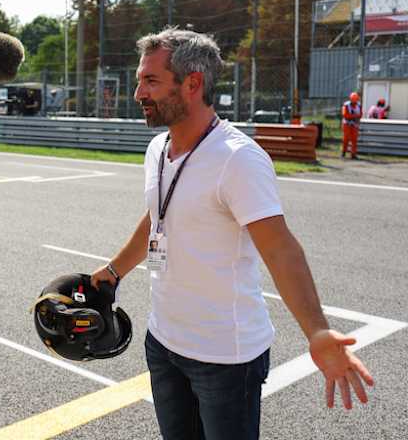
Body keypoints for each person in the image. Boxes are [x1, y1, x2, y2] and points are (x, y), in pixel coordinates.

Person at [91, 28, 374, 440]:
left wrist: (315, 328)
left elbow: (281, 249)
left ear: (193, 83)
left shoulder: (237, 159)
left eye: (150, 81)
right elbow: (158, 216)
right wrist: (114, 271)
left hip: (225, 357)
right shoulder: (158, 149)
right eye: (140, 80)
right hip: (164, 342)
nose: (138, 93)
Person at [341, 92, 362, 158]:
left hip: (355, 124)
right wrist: (355, 116)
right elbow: (345, 115)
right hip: (346, 123)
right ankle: (343, 152)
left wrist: (355, 116)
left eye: (356, 100)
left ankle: (353, 154)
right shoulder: (346, 105)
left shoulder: (359, 105)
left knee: (354, 139)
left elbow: (361, 114)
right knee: (346, 138)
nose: (354, 101)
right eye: (353, 100)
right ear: (351, 99)